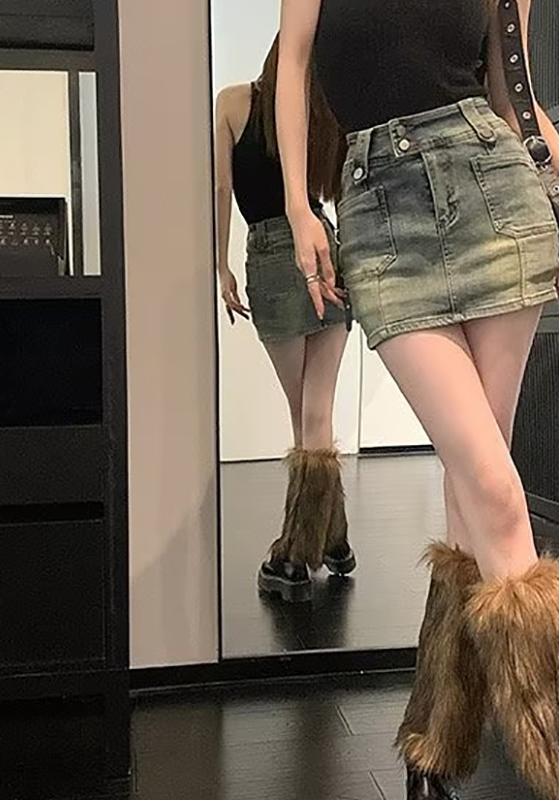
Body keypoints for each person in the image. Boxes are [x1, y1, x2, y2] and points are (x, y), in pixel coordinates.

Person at [276, 1, 559, 799]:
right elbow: (293, 66)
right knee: (495, 492)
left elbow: (514, 101)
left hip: (496, 201)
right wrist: (299, 206)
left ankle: (438, 739)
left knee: (475, 492)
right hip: (380, 216)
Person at [214, 35, 356, 604]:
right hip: (326, 248)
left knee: (304, 417)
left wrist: (219, 263)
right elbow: (339, 190)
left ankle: (296, 557)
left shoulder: (231, 102)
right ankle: (334, 540)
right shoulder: (318, 116)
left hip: (274, 254)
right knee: (317, 413)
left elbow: (220, 187)